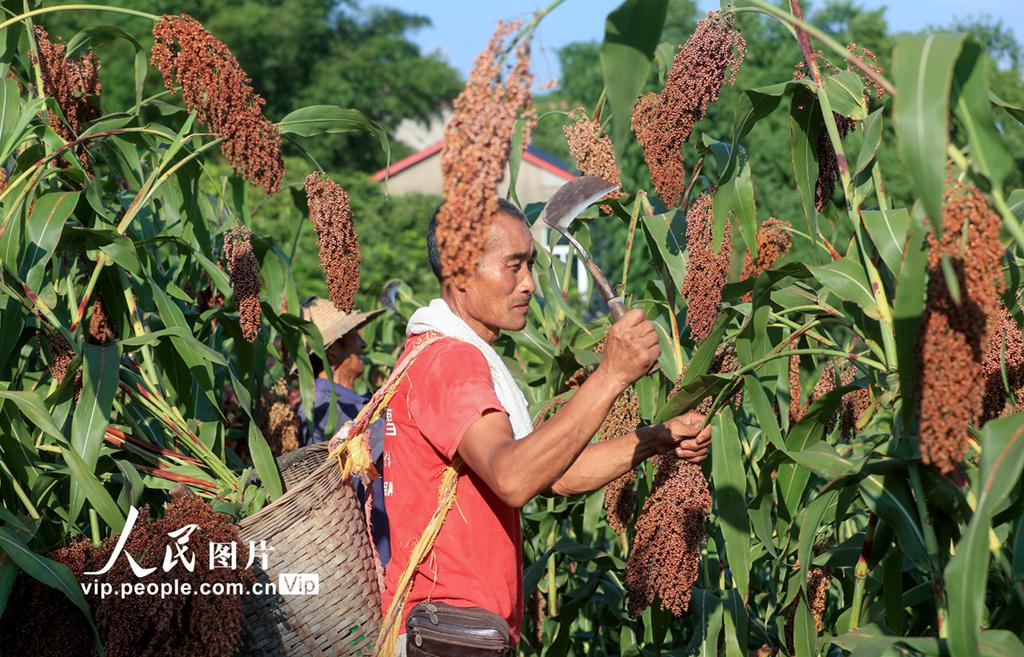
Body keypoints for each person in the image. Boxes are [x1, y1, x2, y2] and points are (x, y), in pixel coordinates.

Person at [379, 199, 712, 655]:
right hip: (448, 633)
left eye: (531, 265)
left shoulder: (449, 353)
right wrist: (611, 375)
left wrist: (656, 438)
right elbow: (513, 478)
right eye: (512, 266)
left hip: (459, 631)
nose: (529, 284)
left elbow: (552, 472)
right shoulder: (449, 360)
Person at [295, 296, 390, 565]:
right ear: (333, 349)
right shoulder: (321, 405)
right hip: (368, 552)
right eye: (353, 336)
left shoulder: (348, 401)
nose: (363, 343)